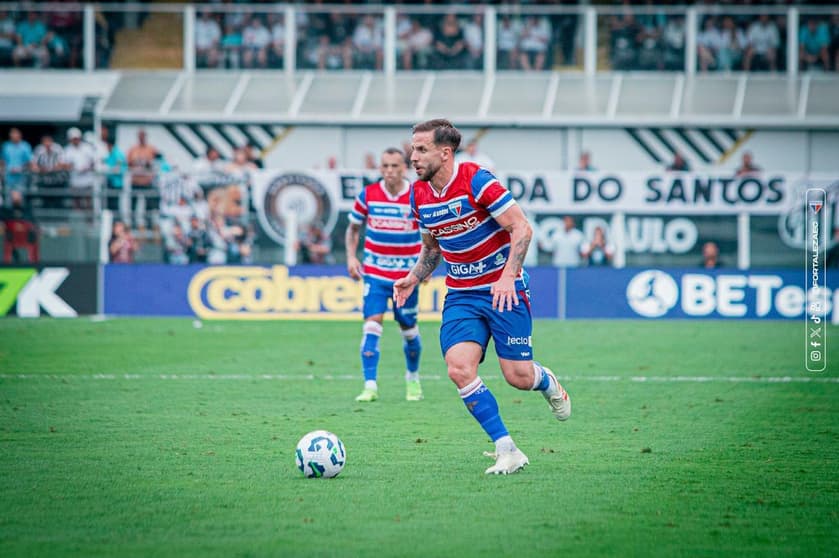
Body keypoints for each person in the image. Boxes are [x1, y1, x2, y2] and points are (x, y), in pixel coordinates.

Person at [394, 119, 571, 476]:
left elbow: (521, 227)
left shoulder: (477, 180)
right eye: (413, 149)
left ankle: (547, 381)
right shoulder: (418, 195)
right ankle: (507, 449)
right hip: (461, 294)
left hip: (503, 291)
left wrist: (507, 277)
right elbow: (432, 249)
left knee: (517, 377)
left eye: (421, 149)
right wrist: (413, 277)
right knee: (459, 369)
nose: (412, 157)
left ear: (445, 153)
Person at [346, 147, 424, 403]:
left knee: (408, 329)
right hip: (376, 275)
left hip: (406, 278)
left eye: (395, 166)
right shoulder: (368, 195)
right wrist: (351, 256)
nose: (390, 171)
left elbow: (432, 233)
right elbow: (353, 229)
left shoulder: (417, 194)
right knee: (371, 324)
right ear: (380, 168)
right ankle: (370, 386)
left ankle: (412, 378)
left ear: (405, 168)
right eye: (386, 166)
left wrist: (425, 267)